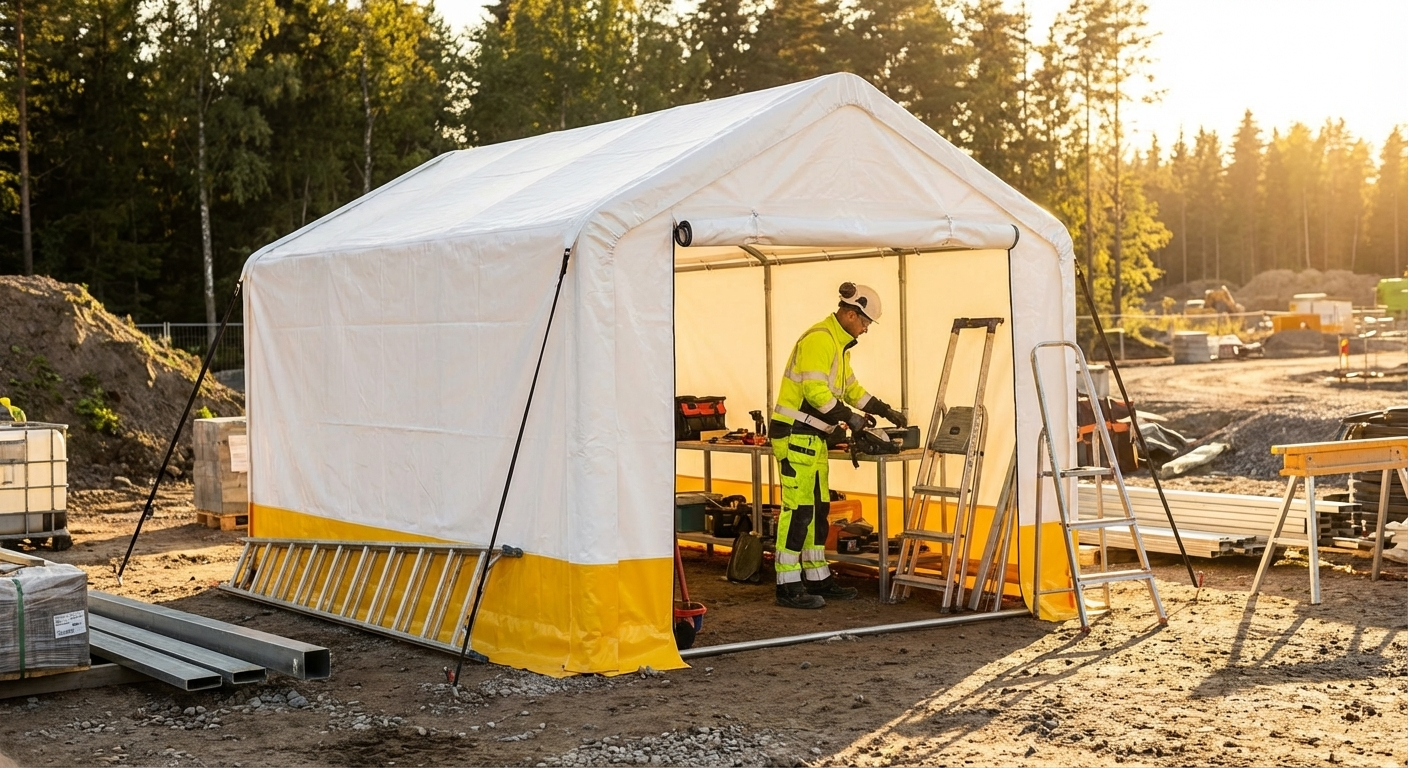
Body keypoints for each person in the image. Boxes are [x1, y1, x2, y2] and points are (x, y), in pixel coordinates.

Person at [768, 282, 906, 609]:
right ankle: (787, 585)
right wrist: (853, 420)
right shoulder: (819, 340)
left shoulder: (838, 346)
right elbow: (816, 393)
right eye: (865, 321)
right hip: (794, 436)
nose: (866, 328)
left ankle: (818, 578)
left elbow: (851, 389)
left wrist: (882, 409)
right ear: (848, 313)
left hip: (813, 438)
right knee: (798, 510)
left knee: (818, 509)